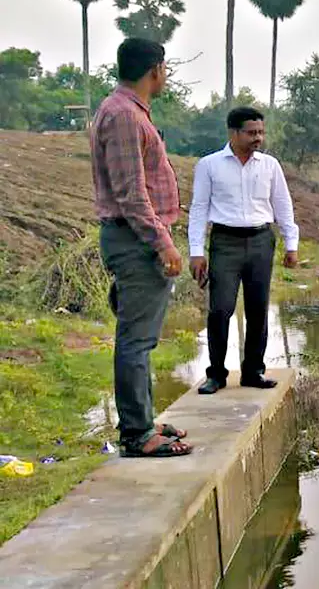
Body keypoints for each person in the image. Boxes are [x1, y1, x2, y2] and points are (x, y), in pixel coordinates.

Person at [92, 38, 191, 457]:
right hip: (135, 240)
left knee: (141, 339)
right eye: (165, 69)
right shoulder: (124, 116)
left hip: (134, 238)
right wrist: (163, 242)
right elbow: (132, 194)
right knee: (135, 340)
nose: (165, 76)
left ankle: (143, 420)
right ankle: (136, 434)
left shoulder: (127, 112)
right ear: (155, 70)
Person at [189, 107, 300, 394]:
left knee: (258, 310)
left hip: (261, 241)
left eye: (261, 132)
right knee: (220, 310)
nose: (258, 138)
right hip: (225, 242)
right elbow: (199, 209)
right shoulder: (209, 165)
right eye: (251, 133)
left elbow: (283, 205)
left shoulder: (270, 166)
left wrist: (291, 245)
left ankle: (253, 371)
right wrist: (196, 251)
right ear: (233, 133)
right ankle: (216, 374)